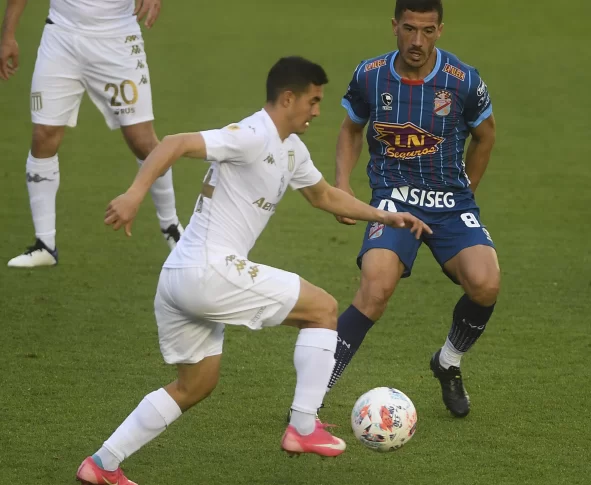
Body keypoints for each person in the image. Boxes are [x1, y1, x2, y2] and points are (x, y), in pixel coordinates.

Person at [75, 56, 431, 484]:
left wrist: (386, 216)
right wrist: (134, 194)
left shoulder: (292, 150)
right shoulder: (251, 135)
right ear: (288, 98)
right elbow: (172, 142)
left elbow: (323, 196)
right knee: (323, 309)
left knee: (195, 384)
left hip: (179, 279)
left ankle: (102, 464)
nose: (318, 111)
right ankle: (303, 426)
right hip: (207, 270)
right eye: (313, 101)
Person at [325, 0, 498, 418]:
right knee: (375, 289)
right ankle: (311, 396)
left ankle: (448, 361)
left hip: (449, 202)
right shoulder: (369, 76)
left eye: (427, 30)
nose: (417, 41)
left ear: (440, 30)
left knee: (486, 284)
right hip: (394, 199)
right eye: (408, 29)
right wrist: (343, 185)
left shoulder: (463, 81)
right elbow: (351, 129)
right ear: (394, 27)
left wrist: (465, 194)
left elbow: (486, 136)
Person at [0, 0, 183, 268]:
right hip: (60, 34)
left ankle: (173, 229)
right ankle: (45, 244)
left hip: (117, 37)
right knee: (44, 134)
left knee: (143, 141)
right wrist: (7, 35)